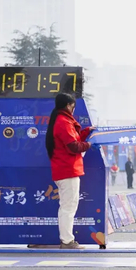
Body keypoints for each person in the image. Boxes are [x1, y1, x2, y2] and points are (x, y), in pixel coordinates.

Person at [45, 93, 96, 250]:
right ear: (68, 105)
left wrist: (87, 132)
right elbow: (73, 146)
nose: (74, 109)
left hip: (64, 170)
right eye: (73, 106)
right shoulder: (64, 122)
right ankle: (67, 241)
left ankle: (66, 239)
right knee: (68, 207)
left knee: (67, 206)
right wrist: (89, 145)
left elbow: (73, 139)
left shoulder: (61, 120)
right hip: (68, 170)